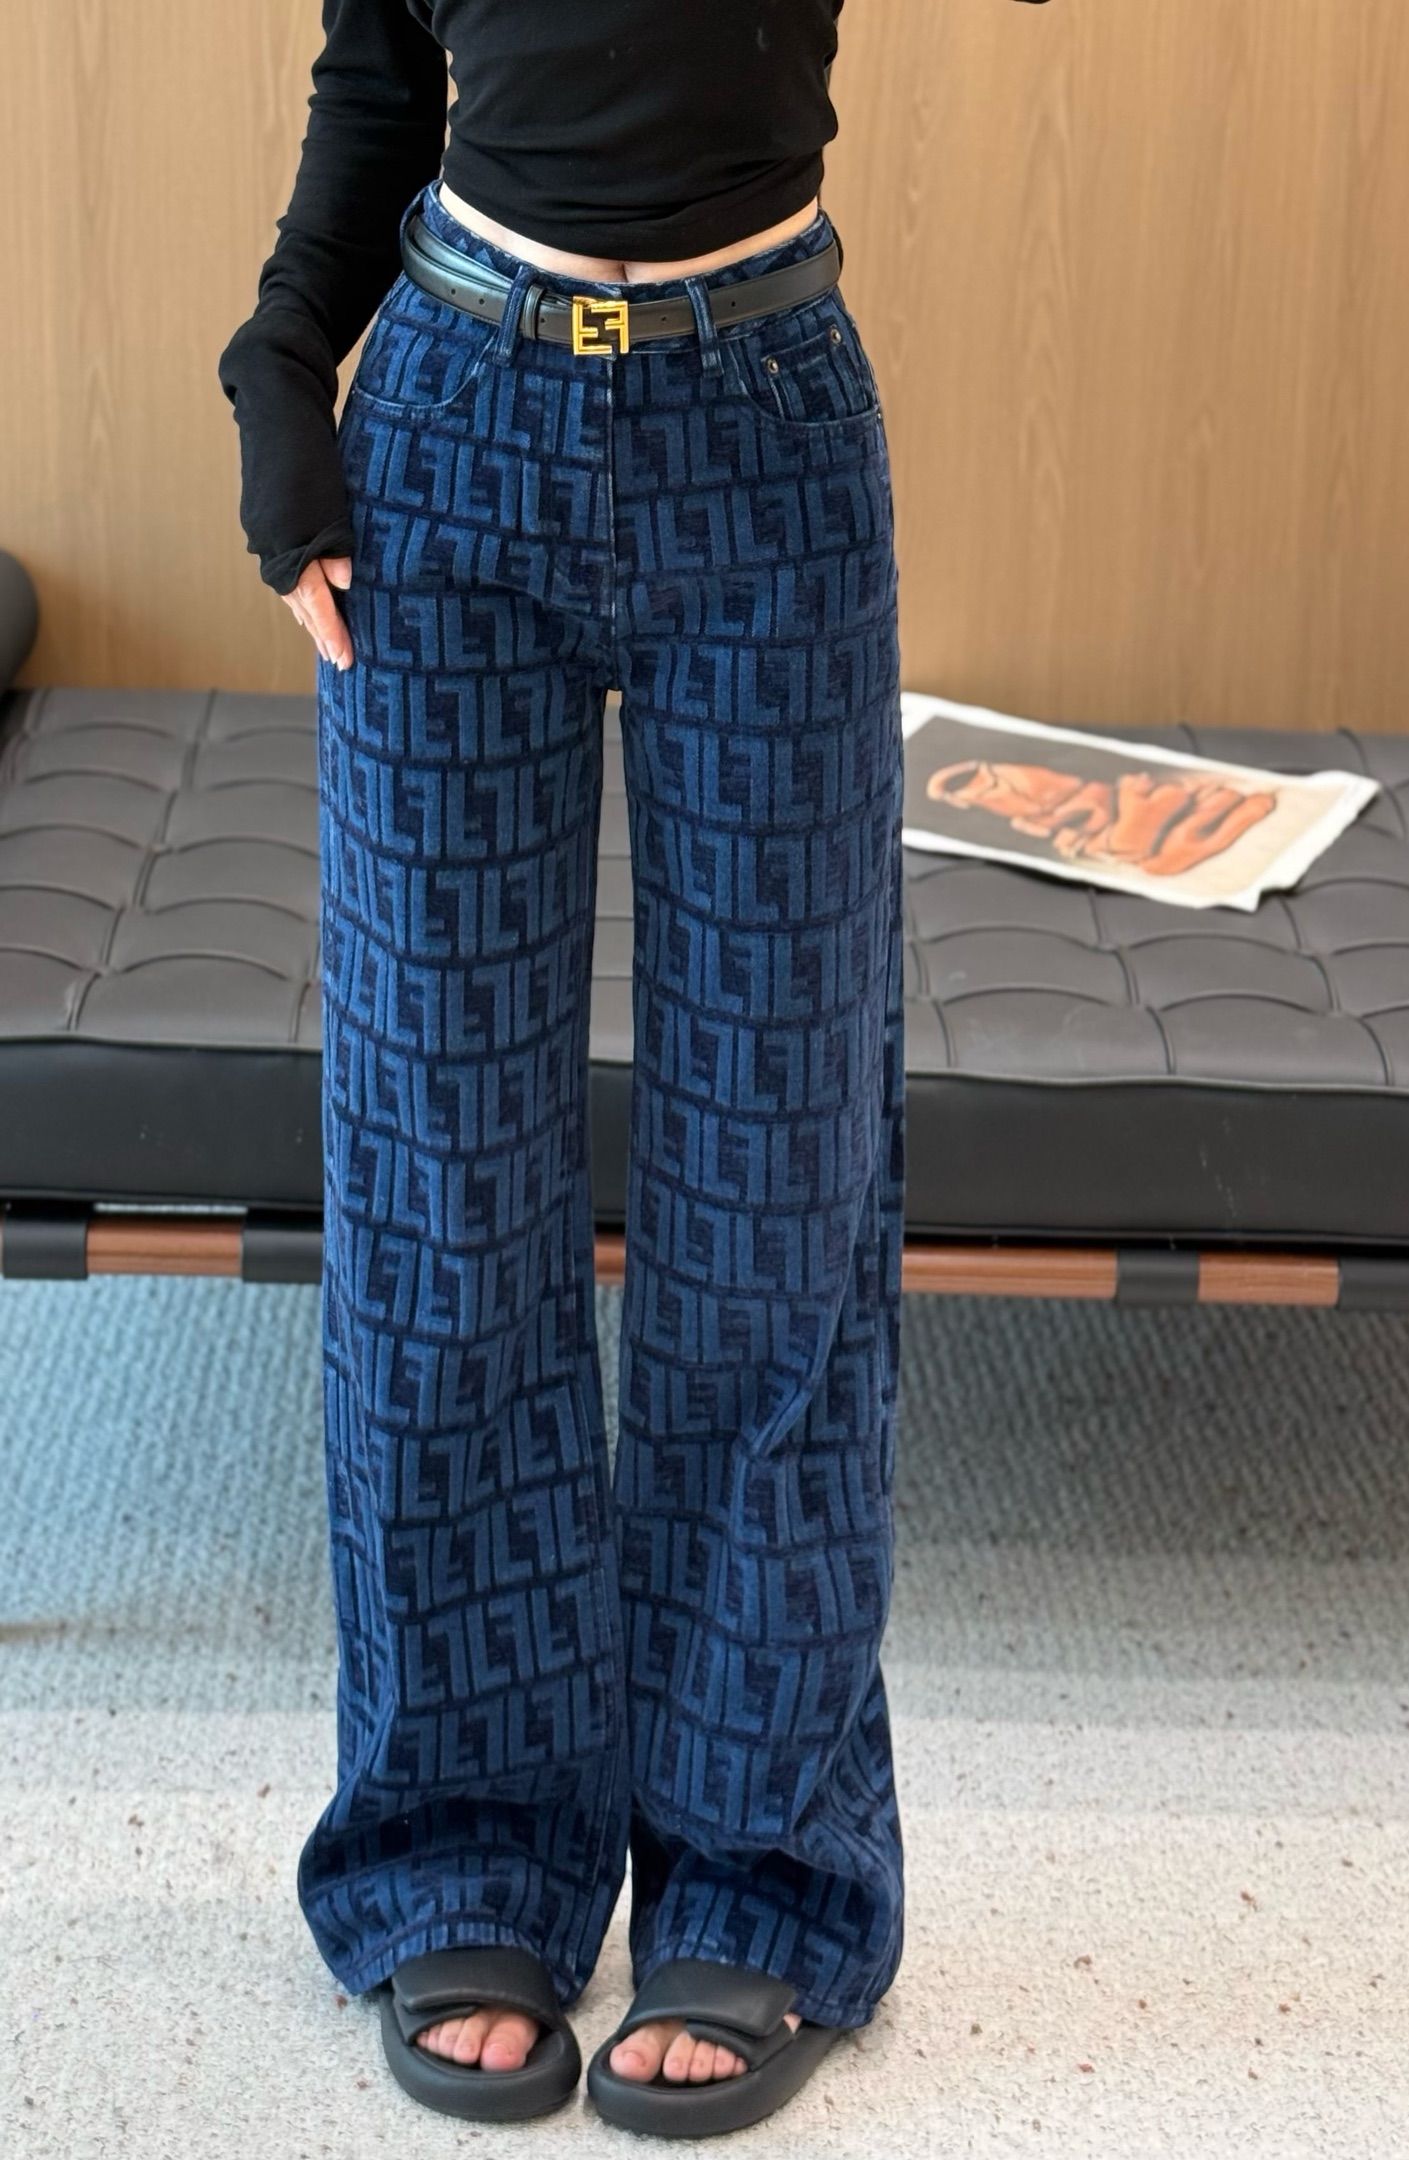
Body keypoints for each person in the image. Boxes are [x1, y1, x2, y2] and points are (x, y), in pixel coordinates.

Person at [218, 0, 911, 2135]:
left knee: (775, 1202)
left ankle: (759, 1870)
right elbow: (381, 76)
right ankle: (458, 1850)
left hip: (767, 421)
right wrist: (282, 359)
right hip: (450, 429)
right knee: (442, 1196)